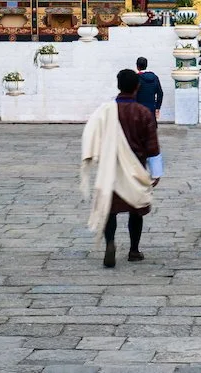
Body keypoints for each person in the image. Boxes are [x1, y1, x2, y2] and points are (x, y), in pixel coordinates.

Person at [79, 69, 159, 267]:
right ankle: (134, 250)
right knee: (136, 209)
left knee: (110, 209)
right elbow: (152, 145)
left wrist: (94, 154)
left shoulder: (105, 111)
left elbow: (92, 132)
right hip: (136, 168)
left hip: (111, 167)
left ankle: (110, 243)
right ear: (137, 87)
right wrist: (157, 171)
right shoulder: (142, 113)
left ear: (118, 85)